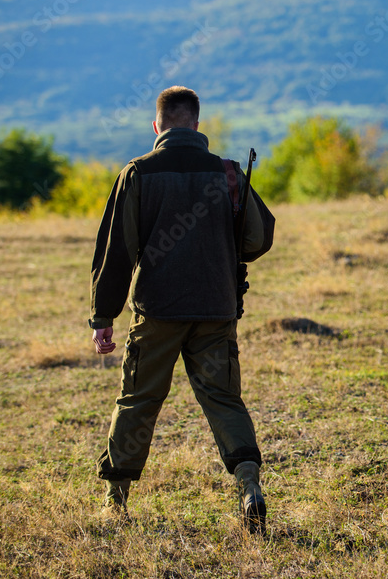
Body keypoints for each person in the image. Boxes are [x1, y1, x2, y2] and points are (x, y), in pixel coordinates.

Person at [89, 86, 272, 534]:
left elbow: (117, 252)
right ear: (197, 123)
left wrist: (103, 317)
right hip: (216, 308)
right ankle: (248, 483)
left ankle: (115, 501)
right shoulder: (228, 172)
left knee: (138, 399)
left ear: (157, 126)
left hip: (157, 310)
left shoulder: (137, 172)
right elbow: (258, 238)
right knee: (223, 399)